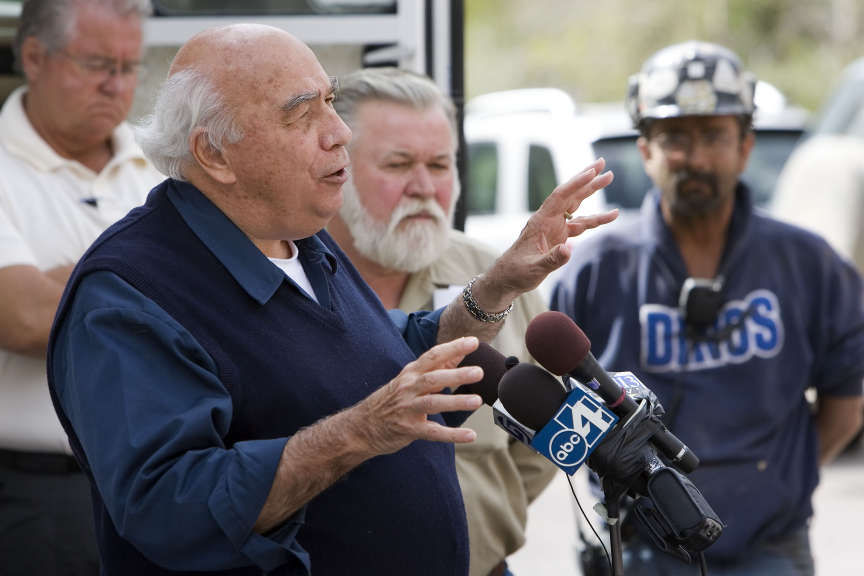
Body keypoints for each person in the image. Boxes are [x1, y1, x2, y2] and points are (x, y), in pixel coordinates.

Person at [46, 24, 616, 576]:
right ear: (215, 154)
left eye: (330, 101)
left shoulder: (299, 237)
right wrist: (360, 431)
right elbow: (167, 507)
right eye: (301, 112)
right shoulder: (129, 292)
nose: (338, 131)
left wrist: (496, 287)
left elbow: (386, 355)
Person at [551, 41, 864, 575]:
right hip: (643, 549)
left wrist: (778, 479)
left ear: (745, 145)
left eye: (714, 136)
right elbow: (556, 408)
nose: (694, 158)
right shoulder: (598, 269)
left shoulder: (807, 262)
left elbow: (846, 401)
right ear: (645, 149)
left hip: (772, 548)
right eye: (675, 138)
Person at [326, 67, 557, 576]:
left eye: (439, 164)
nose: (424, 187)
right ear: (334, 168)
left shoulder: (499, 277)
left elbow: (546, 441)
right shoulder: (292, 283)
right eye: (398, 164)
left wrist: (484, 523)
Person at [0, 1, 160, 574]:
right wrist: (166, 286)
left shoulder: (164, 167)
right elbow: (21, 318)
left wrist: (69, 282)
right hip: (41, 497)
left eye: (130, 66)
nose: (116, 85)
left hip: (175, 485)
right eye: (97, 63)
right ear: (35, 57)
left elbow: (232, 294)